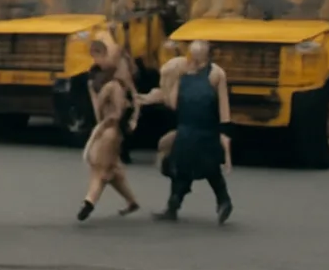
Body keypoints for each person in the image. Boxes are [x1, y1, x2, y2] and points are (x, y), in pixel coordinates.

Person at [151, 39, 233, 223]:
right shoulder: (186, 73)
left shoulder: (215, 74)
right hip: (192, 130)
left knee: (204, 168)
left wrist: (225, 132)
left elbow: (223, 107)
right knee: (186, 168)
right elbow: (173, 103)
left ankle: (221, 201)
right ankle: (176, 205)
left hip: (199, 130)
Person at [77, 36, 140, 221]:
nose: (96, 61)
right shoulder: (94, 77)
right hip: (104, 126)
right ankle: (131, 201)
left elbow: (124, 106)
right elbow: (97, 107)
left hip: (112, 127)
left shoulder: (117, 80)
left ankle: (89, 201)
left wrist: (132, 118)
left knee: (100, 167)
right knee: (113, 169)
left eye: (97, 56)